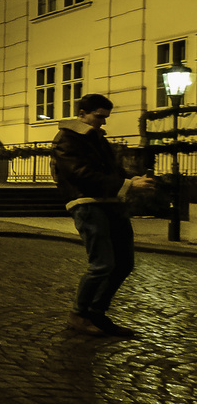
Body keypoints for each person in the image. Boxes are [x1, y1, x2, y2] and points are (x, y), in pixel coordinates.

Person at [51, 93, 156, 337]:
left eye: (105, 117)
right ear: (82, 114)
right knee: (103, 264)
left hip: (110, 203)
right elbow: (80, 173)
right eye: (99, 117)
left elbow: (111, 170)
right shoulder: (68, 138)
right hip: (87, 203)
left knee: (124, 263)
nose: (103, 122)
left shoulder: (95, 137)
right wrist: (129, 185)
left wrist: (132, 180)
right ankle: (79, 315)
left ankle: (95, 314)